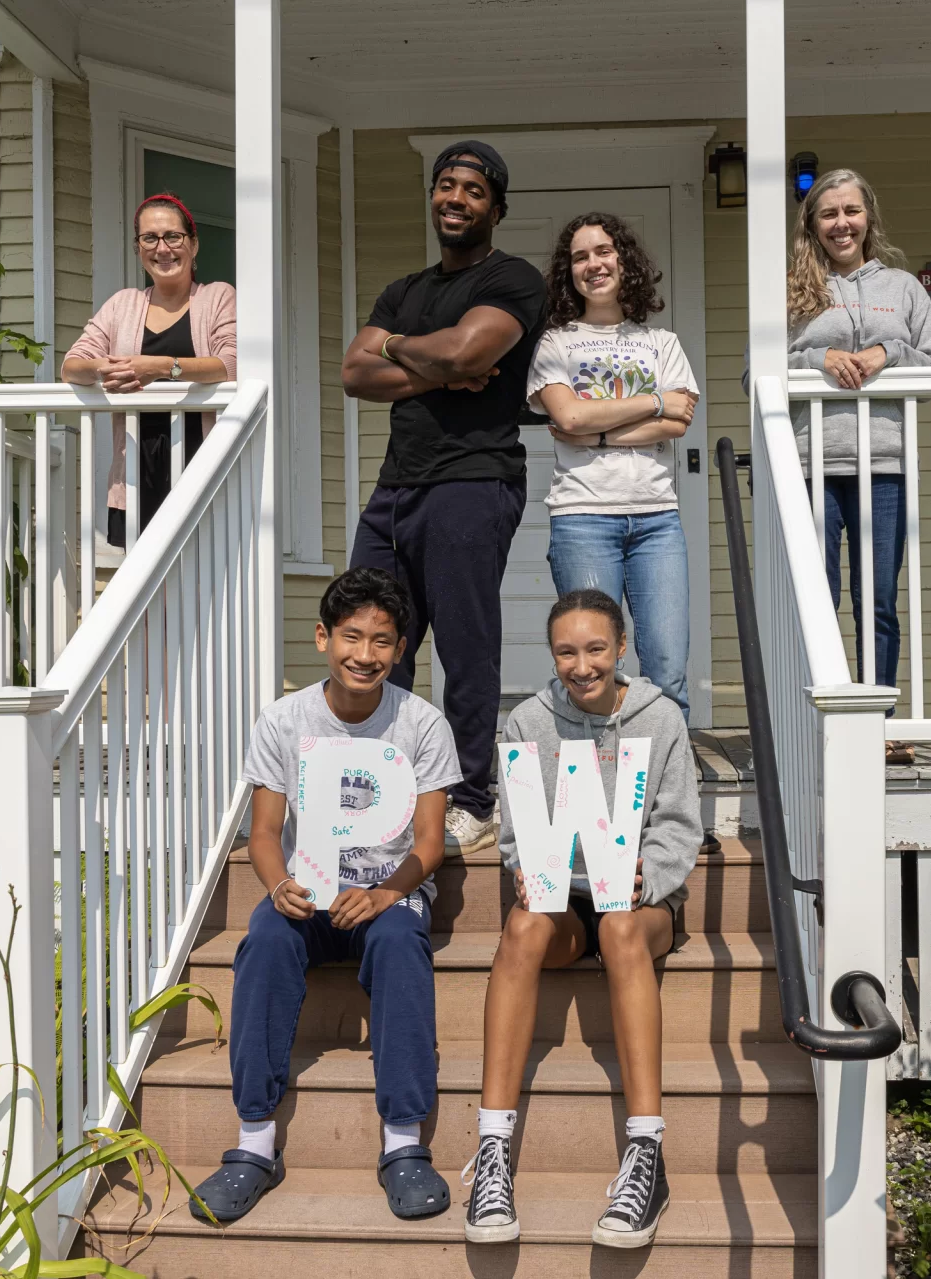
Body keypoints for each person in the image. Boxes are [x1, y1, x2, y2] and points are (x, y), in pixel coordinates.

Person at [189, 567, 462, 1225]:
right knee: (264, 943)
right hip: (307, 891)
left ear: (399, 650)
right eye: (351, 636)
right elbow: (261, 833)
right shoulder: (285, 720)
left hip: (386, 894)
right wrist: (278, 883)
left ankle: (402, 1144)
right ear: (322, 637)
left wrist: (384, 892)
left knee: (400, 942)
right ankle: (253, 1144)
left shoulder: (422, 724)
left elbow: (429, 842)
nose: (364, 654)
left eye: (381, 641)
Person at [461, 588, 703, 1249]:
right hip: (563, 899)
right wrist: (523, 864)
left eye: (595, 648)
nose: (581, 664)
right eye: (566, 651)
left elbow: (680, 825)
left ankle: (646, 1155)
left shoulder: (661, 720)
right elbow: (514, 827)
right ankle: (491, 1152)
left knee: (621, 926)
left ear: (621, 648)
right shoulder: (529, 722)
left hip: (636, 900)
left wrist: (645, 874)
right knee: (521, 926)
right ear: (552, 654)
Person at [341, 140, 547, 857]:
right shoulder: (404, 291)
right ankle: (379, 788)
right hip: (397, 483)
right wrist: (425, 356)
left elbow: (470, 354)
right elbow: (352, 371)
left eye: (472, 190)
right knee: (373, 637)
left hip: (473, 477)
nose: (454, 199)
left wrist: (404, 350)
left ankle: (470, 797)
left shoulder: (514, 279)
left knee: (464, 645)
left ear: (496, 206)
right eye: (444, 186)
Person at [787, 169, 931, 758]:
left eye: (851, 211)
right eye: (828, 214)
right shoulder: (789, 289)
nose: (841, 224)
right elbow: (760, 373)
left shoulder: (904, 288)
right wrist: (819, 357)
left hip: (883, 464)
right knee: (820, 597)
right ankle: (818, 725)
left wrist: (889, 352)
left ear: (868, 218)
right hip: (813, 466)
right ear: (812, 224)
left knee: (877, 599)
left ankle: (877, 725)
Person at [528, 214, 699, 717]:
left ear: (624, 260)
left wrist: (596, 433)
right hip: (582, 517)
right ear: (569, 272)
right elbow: (569, 413)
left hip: (657, 521)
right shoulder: (556, 343)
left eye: (603, 251)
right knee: (591, 669)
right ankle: (598, 777)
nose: (593, 264)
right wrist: (652, 402)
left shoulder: (661, 342)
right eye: (580, 257)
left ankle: (669, 782)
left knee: (667, 669)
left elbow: (678, 420)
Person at [63, 193, 237, 547]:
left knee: (201, 575)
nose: (163, 248)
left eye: (173, 236)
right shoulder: (122, 304)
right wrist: (105, 368)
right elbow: (71, 366)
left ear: (194, 243)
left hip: (199, 455)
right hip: (136, 465)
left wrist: (161, 368)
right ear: (138, 248)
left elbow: (228, 365)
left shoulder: (218, 297)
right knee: (145, 585)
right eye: (150, 238)